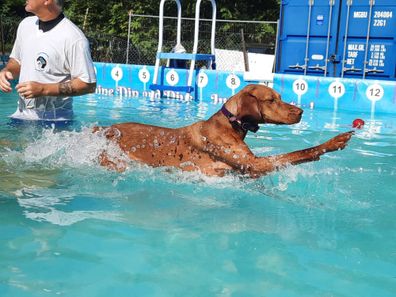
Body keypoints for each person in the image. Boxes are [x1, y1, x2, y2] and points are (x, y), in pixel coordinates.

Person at [0, 0, 96, 121]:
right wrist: (7, 71)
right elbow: (17, 61)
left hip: (55, 121)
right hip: (21, 114)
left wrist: (43, 89)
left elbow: (88, 85)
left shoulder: (74, 38)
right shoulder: (25, 25)